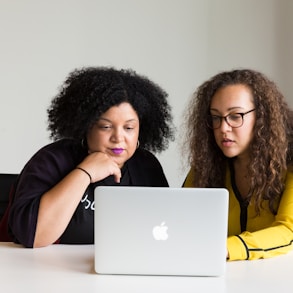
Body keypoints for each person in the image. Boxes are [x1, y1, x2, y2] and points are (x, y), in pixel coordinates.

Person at [0, 66, 174, 248]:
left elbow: (167, 229)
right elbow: (34, 236)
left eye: (129, 128)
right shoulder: (52, 160)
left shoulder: (146, 165)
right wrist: (85, 172)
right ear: (86, 125)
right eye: (105, 127)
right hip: (45, 271)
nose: (118, 137)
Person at [182, 69, 293, 261]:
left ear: (262, 118)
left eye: (235, 116)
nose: (223, 128)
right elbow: (181, 218)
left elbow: (288, 231)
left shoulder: (289, 163)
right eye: (216, 117)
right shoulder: (207, 164)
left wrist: (226, 248)